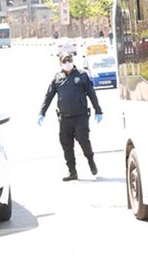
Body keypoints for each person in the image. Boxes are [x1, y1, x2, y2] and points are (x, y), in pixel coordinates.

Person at [38, 51, 104, 181]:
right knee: (66, 145)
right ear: (60, 63)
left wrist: (98, 110)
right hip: (64, 118)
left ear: (72, 61)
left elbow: (91, 93)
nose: (67, 63)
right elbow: (49, 96)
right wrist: (42, 112)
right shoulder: (57, 78)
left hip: (80, 116)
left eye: (69, 60)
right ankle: (72, 171)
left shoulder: (82, 75)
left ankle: (90, 160)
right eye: (64, 61)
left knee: (83, 140)